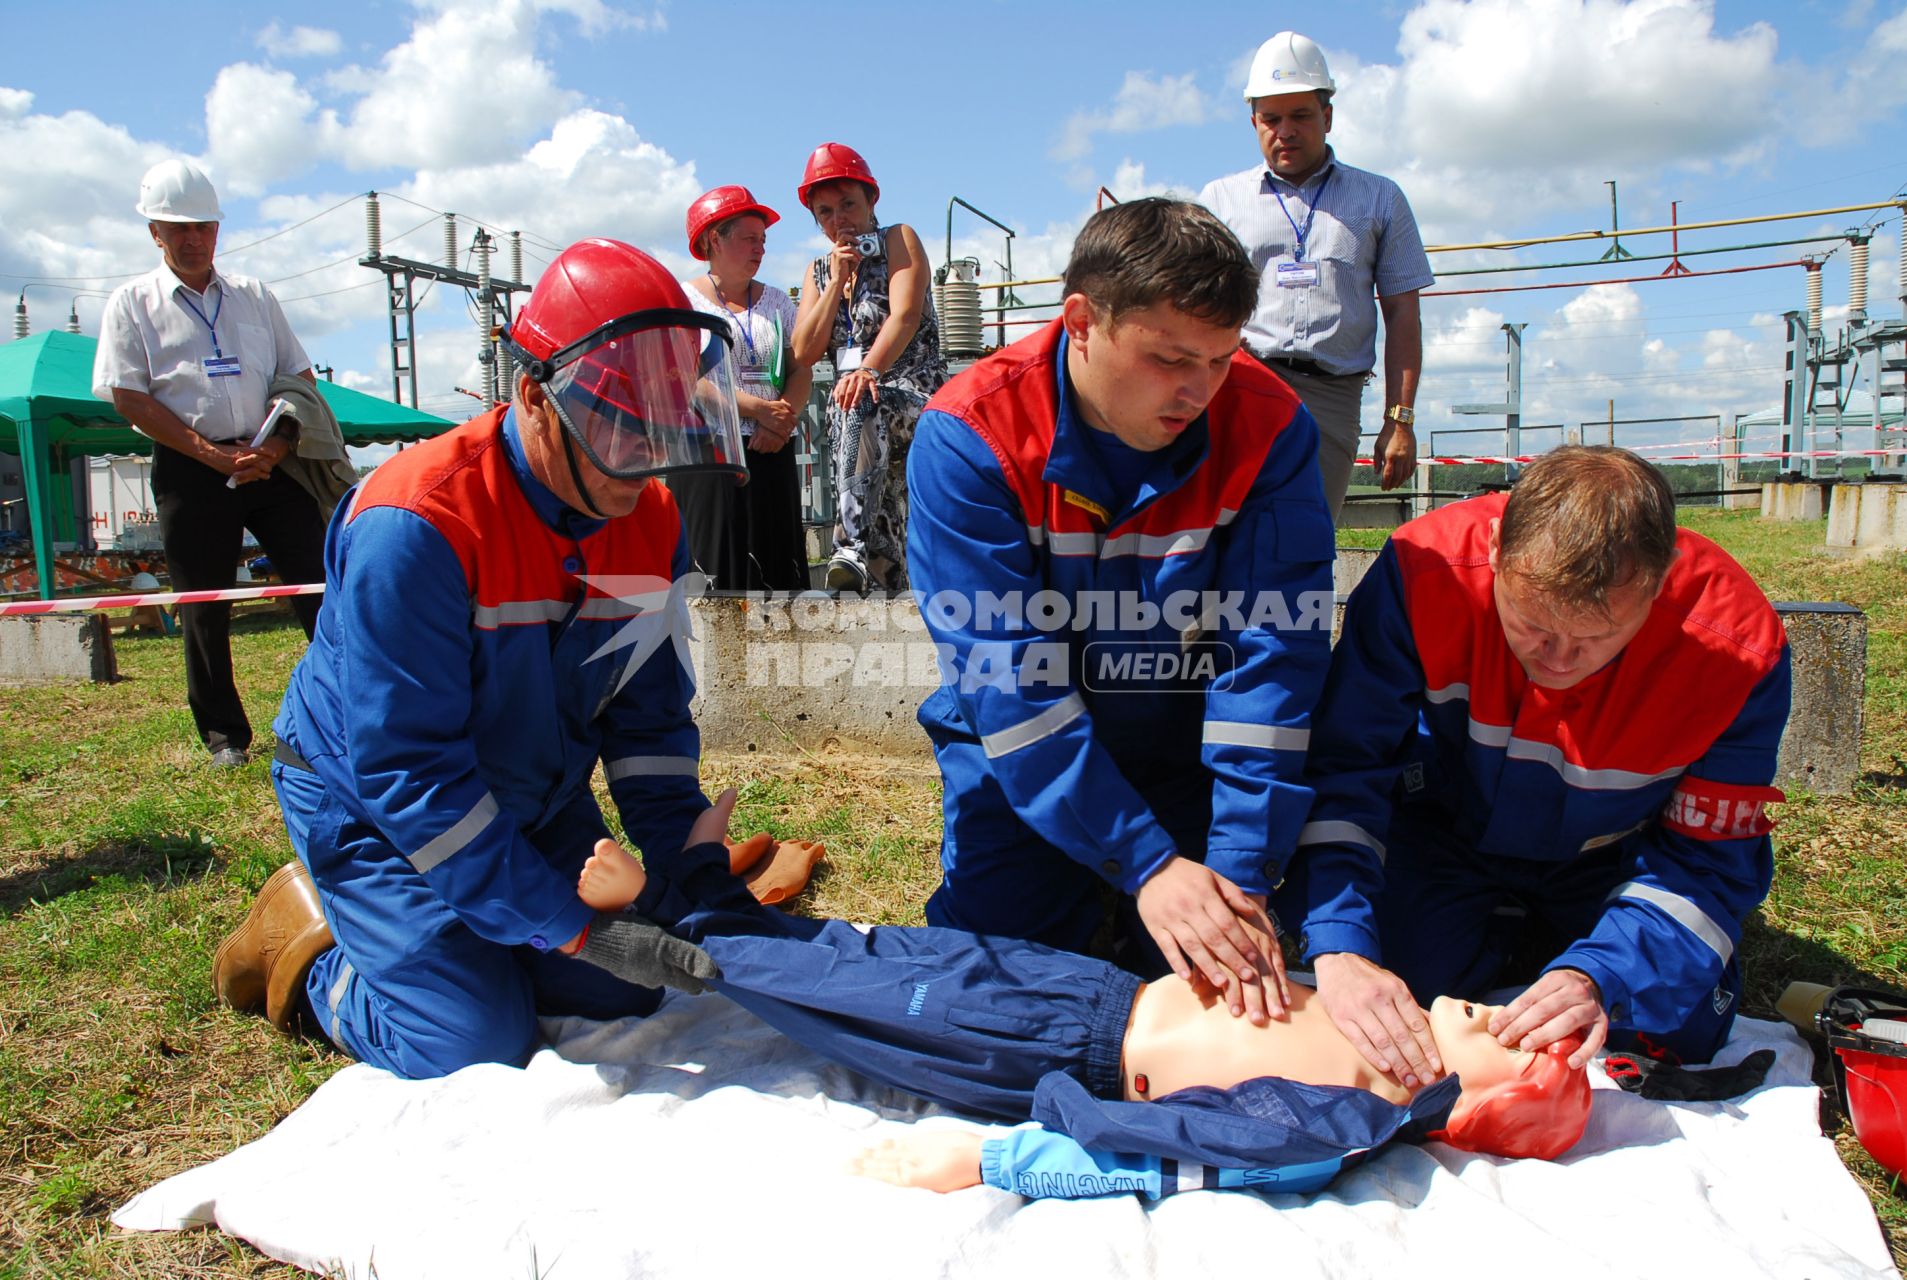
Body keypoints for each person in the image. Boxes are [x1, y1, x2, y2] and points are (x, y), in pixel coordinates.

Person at [210, 239, 755, 1079]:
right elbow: (411, 775)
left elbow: (646, 722)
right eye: (618, 428)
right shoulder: (417, 526)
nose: (644, 460)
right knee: (471, 1043)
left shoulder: (647, 517)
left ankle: (475, 940)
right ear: (535, 397)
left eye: (661, 425)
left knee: (628, 991)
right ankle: (312, 949)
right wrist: (576, 925)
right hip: (377, 810)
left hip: (531, 792)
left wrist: (686, 864)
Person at [572, 792, 1592, 1202]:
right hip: (1086, 989)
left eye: (1516, 1045)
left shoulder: (1342, 1116)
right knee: (874, 950)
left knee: (844, 990)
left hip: (1044, 1045)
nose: (1505, 1014)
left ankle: (659, 924)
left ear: (1464, 1101)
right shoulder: (1383, 1011)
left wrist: (988, 1155)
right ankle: (709, 891)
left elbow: (1181, 1154)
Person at [904, 197, 1335, 1025]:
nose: (1199, 391)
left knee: (1217, 1000)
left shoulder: (1270, 421)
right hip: (1022, 759)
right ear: (1081, 321)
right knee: (997, 994)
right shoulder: (971, 433)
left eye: (1220, 360)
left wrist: (1239, 869)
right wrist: (1144, 863)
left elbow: (1272, 654)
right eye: (1170, 358)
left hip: (1185, 748)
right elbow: (1008, 683)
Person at [1283, 446, 1791, 1088]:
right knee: (1384, 1003)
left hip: (1613, 858)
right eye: (1529, 624)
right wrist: (1340, 941)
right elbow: (1346, 767)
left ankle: (1548, 948)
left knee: (1671, 1027)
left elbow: (1710, 863)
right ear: (1496, 547)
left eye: (1595, 639)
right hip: (1443, 830)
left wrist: (1599, 977)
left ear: (1660, 584)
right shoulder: (1423, 571)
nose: (1556, 660)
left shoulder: (1737, 651)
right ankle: (1497, 936)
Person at [92, 158, 328, 767]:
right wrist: (206, 452)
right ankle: (225, 737)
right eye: (179, 228)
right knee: (204, 603)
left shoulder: (254, 296)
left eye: (204, 226)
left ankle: (346, 711)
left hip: (271, 459)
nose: (194, 239)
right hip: (190, 469)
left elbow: (298, 379)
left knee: (322, 584)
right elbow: (128, 395)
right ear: (155, 234)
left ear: (217, 230)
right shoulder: (132, 303)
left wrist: (273, 449)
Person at [1196, 31, 1433, 522]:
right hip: (1238, 383)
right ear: (1254, 122)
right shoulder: (1220, 200)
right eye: (1271, 118)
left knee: (1306, 540)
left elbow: (1403, 315)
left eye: (1300, 115)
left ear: (1327, 116)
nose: (1285, 130)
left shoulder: (1380, 199)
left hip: (1331, 396)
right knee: (1221, 533)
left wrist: (1400, 420)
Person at [789, 143, 947, 594]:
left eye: (847, 206)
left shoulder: (900, 239)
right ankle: (879, 576)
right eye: (825, 212)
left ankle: (850, 543)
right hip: (857, 418)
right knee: (857, 418)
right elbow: (803, 350)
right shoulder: (819, 272)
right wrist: (837, 281)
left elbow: (904, 316)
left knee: (861, 398)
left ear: (871, 199)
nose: (839, 219)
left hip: (914, 395)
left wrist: (868, 371)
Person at [669, 185, 815, 591]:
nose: (760, 248)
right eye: (750, 238)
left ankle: (782, 652)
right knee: (717, 565)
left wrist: (781, 419)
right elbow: (684, 375)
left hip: (770, 447)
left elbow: (800, 365)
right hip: (709, 454)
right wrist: (754, 409)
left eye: (764, 240)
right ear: (715, 238)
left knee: (775, 562)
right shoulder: (683, 301)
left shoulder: (777, 302)